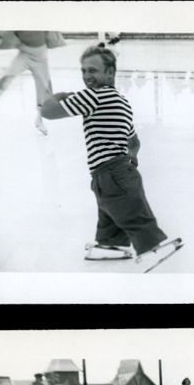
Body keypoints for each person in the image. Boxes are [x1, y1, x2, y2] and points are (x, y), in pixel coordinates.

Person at [40, 46, 176, 267]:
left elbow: (48, 111)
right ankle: (110, 246)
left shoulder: (92, 96)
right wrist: (130, 159)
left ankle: (152, 248)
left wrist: (60, 95)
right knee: (112, 213)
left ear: (110, 73)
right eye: (83, 71)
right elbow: (134, 141)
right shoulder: (122, 102)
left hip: (109, 172)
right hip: (117, 172)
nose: (87, 76)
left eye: (93, 70)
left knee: (132, 214)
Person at [0, 31, 61, 135]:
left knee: (44, 87)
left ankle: (40, 119)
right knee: (10, 74)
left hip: (39, 54)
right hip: (26, 53)